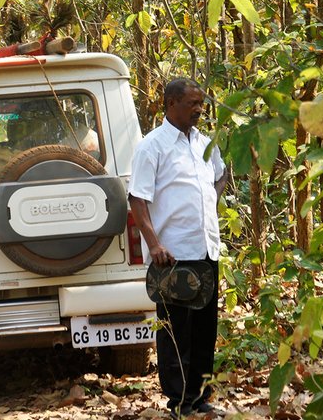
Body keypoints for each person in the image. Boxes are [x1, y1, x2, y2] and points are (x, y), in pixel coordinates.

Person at [128, 78, 229, 418]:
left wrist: (209, 202)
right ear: (171, 104)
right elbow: (137, 199)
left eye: (201, 103)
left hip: (206, 250)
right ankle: (180, 402)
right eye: (192, 104)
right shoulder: (152, 146)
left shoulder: (204, 142)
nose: (199, 110)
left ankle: (200, 398)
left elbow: (221, 174)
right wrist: (154, 244)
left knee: (205, 329)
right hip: (173, 256)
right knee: (176, 334)